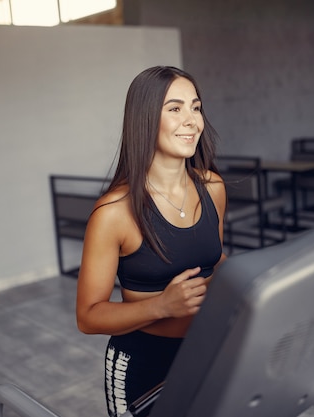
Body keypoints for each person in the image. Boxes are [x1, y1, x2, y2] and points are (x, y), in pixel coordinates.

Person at [75, 66, 227, 417]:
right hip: (143, 364)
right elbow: (88, 316)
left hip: (207, 349)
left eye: (196, 107)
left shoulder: (212, 188)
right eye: (174, 109)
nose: (192, 120)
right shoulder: (113, 213)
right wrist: (162, 306)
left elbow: (213, 258)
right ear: (145, 119)